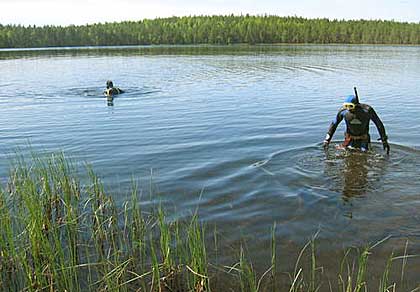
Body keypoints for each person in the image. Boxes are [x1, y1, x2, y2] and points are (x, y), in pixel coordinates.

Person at [323, 93, 390, 154]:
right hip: (349, 139)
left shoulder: (367, 110)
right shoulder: (343, 111)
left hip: (364, 139)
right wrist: (327, 140)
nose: (348, 109)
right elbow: (334, 124)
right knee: (347, 155)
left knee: (364, 155)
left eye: (351, 106)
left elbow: (379, 124)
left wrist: (384, 140)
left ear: (356, 105)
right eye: (346, 106)